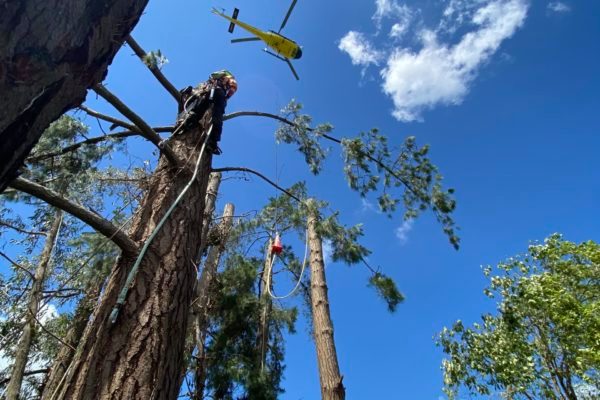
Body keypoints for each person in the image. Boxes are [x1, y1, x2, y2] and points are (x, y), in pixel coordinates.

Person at [175, 70, 238, 154]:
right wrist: (226, 97)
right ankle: (213, 142)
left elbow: (213, 75)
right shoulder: (228, 80)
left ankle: (188, 122)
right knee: (217, 117)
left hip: (214, 91)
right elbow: (233, 88)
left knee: (200, 107)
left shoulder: (226, 76)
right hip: (219, 94)